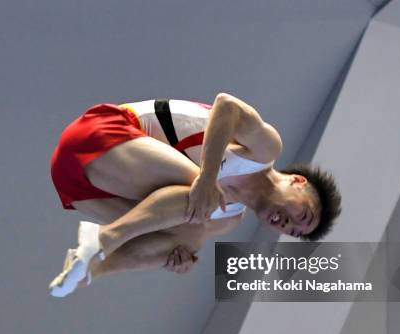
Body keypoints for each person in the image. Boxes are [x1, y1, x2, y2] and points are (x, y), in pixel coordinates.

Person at [48, 93, 341, 297]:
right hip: (101, 132)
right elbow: (227, 105)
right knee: (202, 200)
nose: (286, 223)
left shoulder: (229, 220)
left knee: (189, 239)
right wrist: (208, 175)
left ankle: (91, 270)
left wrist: (173, 258)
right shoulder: (266, 149)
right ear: (298, 181)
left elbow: (156, 226)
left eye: (291, 230)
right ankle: (102, 241)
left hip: (82, 186)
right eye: (301, 214)